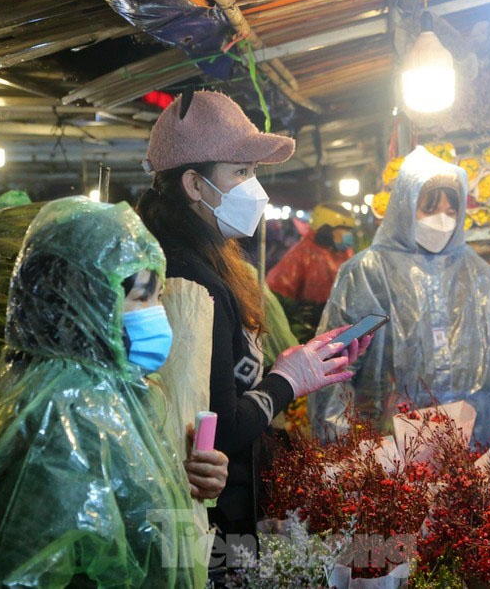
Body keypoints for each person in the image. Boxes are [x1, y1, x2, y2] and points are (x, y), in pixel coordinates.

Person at [0, 197, 227, 588]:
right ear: (88, 303)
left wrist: (185, 483)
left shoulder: (120, 400)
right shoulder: (64, 420)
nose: (157, 314)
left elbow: (131, 521)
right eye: (140, 298)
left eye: (159, 297)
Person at [135, 90, 368, 552]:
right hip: (208, 519)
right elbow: (218, 427)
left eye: (254, 171)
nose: (254, 187)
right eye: (240, 171)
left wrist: (296, 361)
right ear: (195, 185)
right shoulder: (190, 280)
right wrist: (287, 380)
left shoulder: (206, 260)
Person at [309, 146, 490, 447]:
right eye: (430, 209)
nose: (442, 221)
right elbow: (340, 357)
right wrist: (339, 438)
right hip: (390, 444)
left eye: (451, 212)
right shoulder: (370, 273)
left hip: (473, 438)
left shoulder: (477, 273)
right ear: (404, 207)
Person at [267, 203, 356, 342]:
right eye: (342, 229)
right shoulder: (301, 253)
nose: (347, 235)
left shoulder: (344, 252)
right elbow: (278, 294)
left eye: (349, 230)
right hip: (308, 333)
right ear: (325, 229)